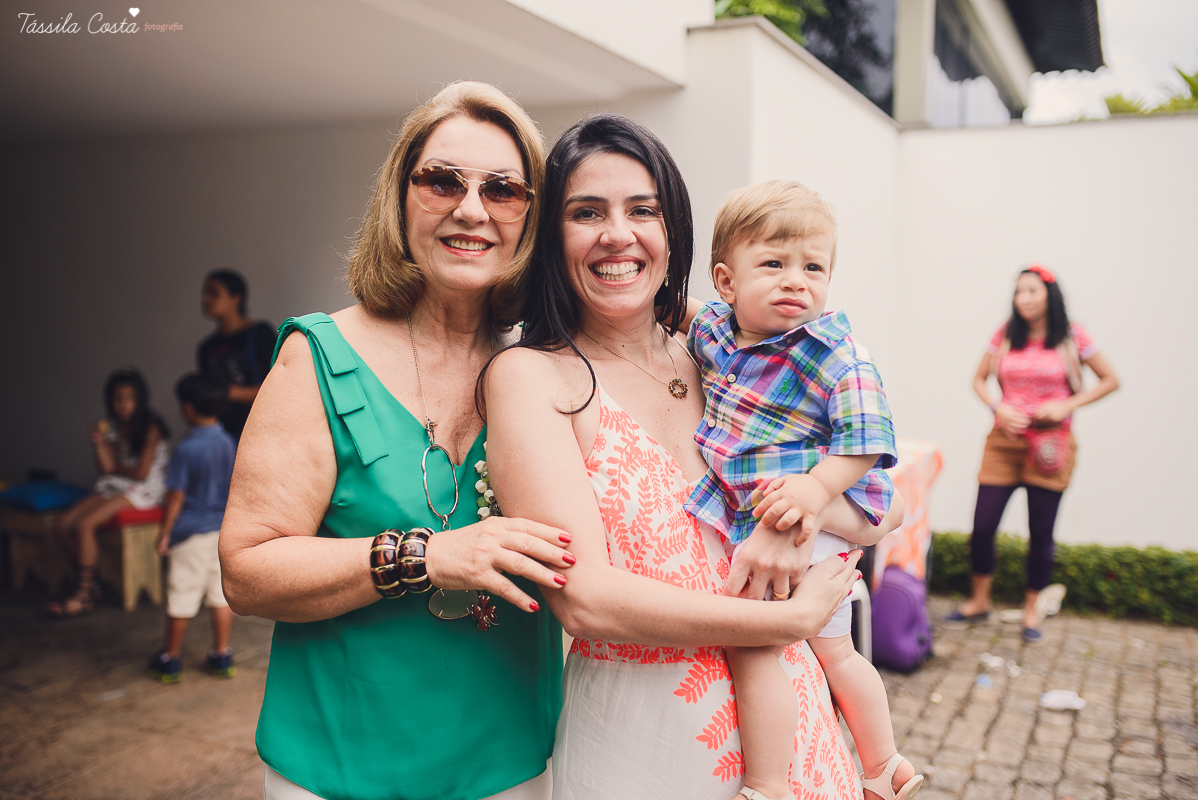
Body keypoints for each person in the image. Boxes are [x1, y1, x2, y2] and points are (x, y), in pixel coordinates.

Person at [484, 114, 877, 800]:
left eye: (644, 210)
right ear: (552, 236)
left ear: (675, 233)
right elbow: (586, 602)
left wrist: (800, 520)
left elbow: (880, 506)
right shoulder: (531, 376)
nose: (618, 233)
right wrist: (787, 619)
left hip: (788, 722)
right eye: (586, 212)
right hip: (647, 734)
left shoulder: (723, 350)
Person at [218, 82, 575, 800]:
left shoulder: (551, 368)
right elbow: (246, 571)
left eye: (504, 190)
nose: (470, 209)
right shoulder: (316, 356)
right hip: (339, 765)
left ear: (531, 217)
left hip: (515, 762)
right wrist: (426, 555)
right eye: (442, 180)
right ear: (399, 196)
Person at [685, 180, 920, 800]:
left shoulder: (835, 353)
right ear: (726, 282)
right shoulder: (715, 331)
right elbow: (681, 312)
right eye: (773, 264)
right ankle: (884, 766)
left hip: (810, 518)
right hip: (770, 517)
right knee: (836, 653)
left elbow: (867, 440)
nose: (797, 280)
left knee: (759, 649)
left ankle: (768, 785)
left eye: (813, 267)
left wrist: (817, 494)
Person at [947, 265, 1119, 642]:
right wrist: (997, 407)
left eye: (1032, 291)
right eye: (1019, 291)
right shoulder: (1007, 333)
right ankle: (979, 601)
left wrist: (1066, 405)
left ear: (1049, 295)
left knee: (1041, 533)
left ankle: (1031, 612)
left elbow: (1111, 380)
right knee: (982, 527)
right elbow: (978, 378)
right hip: (1003, 440)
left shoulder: (1072, 336)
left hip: (1050, 445)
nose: (1024, 298)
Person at [49, 368, 170, 617]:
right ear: (110, 400)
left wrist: (116, 467)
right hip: (118, 485)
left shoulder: (151, 427)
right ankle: (92, 581)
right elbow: (106, 470)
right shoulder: (112, 427)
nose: (124, 405)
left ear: (140, 399)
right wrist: (99, 443)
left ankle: (83, 594)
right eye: (118, 399)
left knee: (84, 525)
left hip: (145, 491)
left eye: (130, 398)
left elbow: (141, 473)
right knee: (62, 524)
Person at [146, 373, 238, 682]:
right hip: (221, 532)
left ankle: (170, 658)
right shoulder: (228, 442)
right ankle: (222, 655)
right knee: (220, 597)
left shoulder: (186, 449)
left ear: (187, 408)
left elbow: (176, 496)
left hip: (190, 535)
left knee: (181, 597)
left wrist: (165, 534)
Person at [198, 269, 276, 441]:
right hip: (221, 434)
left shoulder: (260, 333)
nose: (205, 299)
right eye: (205, 293)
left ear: (236, 298)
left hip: (261, 430)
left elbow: (278, 385)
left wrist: (226, 393)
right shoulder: (206, 347)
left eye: (214, 293)